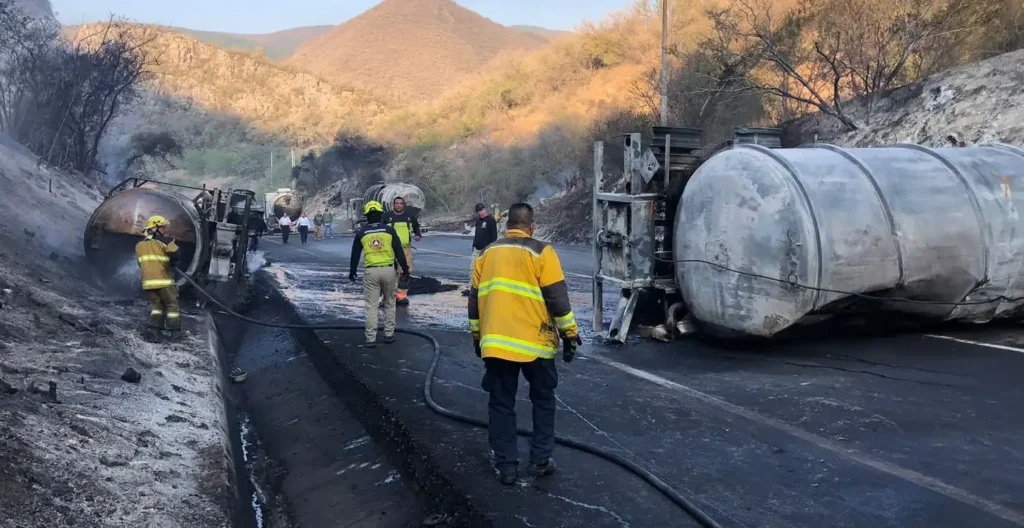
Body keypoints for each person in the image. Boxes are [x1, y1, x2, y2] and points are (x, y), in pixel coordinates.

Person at [467, 202, 581, 485]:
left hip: (497, 344)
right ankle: (540, 460)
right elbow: (557, 298)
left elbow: (474, 301)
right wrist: (569, 334)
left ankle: (506, 466)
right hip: (535, 344)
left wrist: (477, 337)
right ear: (532, 227)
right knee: (543, 400)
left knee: (501, 403)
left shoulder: (487, 253)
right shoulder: (542, 251)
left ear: (507, 226)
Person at [350, 201, 409, 348]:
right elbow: (399, 251)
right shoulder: (389, 230)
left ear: (367, 216)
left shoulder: (362, 232)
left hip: (371, 272)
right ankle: (389, 334)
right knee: (390, 303)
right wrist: (405, 268)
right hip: (388, 271)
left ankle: (370, 338)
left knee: (371, 306)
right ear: (381, 214)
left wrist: (352, 271)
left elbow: (355, 254)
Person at [135, 215, 182, 341]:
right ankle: (175, 333)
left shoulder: (139, 245)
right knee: (171, 305)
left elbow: (140, 263)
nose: (164, 230)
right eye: (162, 227)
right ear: (155, 228)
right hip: (163, 281)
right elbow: (177, 255)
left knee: (156, 306)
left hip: (148, 282)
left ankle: (155, 330)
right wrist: (172, 262)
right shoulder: (164, 241)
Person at [382, 196, 422, 306]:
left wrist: (418, 235)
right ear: (393, 205)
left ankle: (401, 296)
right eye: (397, 203)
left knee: (404, 273)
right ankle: (387, 297)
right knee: (389, 273)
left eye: (401, 203)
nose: (399, 205)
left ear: (404, 205)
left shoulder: (409, 217)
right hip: (390, 249)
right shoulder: (387, 217)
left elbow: (416, 227)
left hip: (405, 250)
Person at [463, 203, 497, 295]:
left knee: (485, 271)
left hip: (486, 250)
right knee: (472, 269)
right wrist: (473, 245)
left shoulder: (491, 220)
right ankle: (471, 287)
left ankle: (485, 289)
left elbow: (494, 237)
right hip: (476, 249)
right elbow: (477, 234)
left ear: (485, 210)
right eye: (478, 211)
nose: (480, 212)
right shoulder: (478, 221)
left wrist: (491, 249)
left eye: (481, 210)